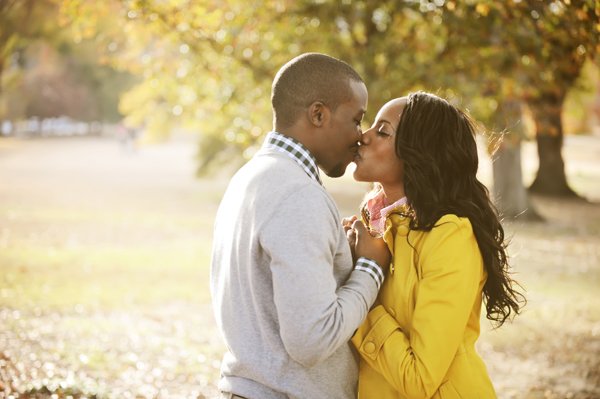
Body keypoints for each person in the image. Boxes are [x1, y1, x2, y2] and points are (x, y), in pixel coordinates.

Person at [210, 53, 391, 399]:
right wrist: (370, 269)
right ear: (319, 114)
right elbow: (312, 341)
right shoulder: (298, 194)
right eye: (356, 119)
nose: (361, 136)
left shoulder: (250, 178)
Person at [345, 92, 525, 398]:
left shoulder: (450, 237)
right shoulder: (375, 226)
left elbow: (420, 379)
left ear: (418, 153)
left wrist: (361, 295)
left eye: (382, 131)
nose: (362, 136)